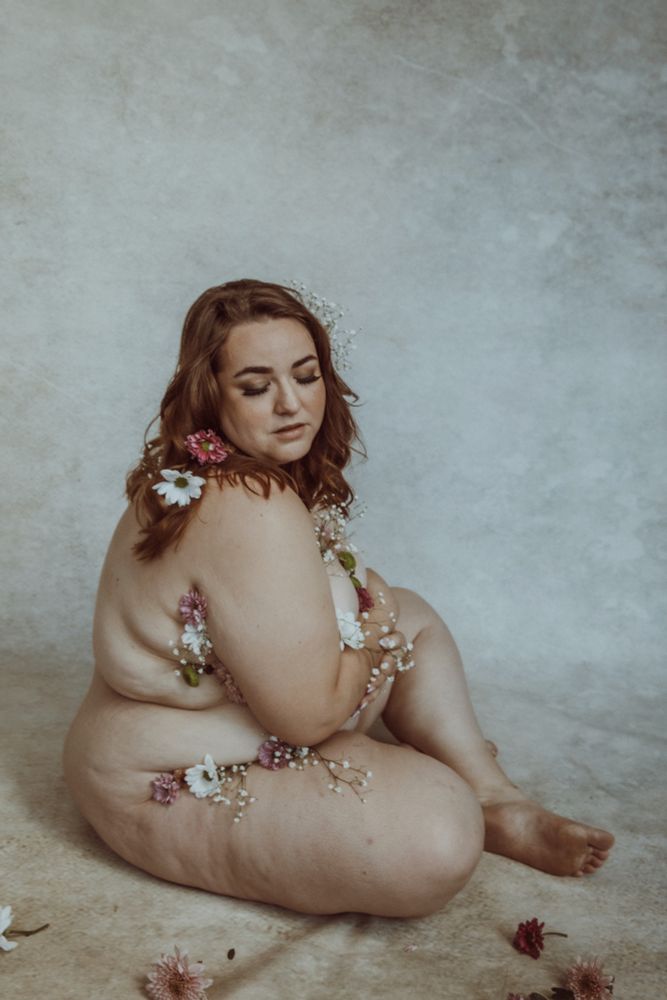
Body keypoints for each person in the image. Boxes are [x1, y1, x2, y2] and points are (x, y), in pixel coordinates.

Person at [63, 279, 614, 918]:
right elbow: (305, 721)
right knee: (436, 836)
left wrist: (381, 623)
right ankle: (458, 804)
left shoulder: (214, 473)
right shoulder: (245, 505)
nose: (291, 404)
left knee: (414, 616)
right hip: (165, 774)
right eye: (255, 387)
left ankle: (495, 798)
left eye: (306, 376)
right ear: (209, 395)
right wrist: (374, 635)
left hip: (256, 714)